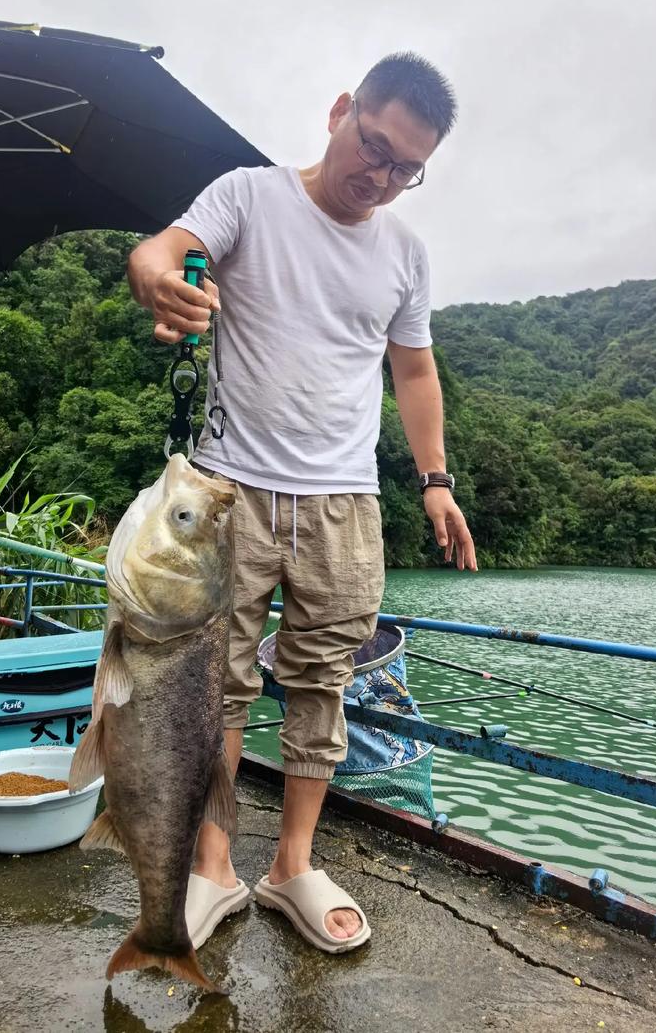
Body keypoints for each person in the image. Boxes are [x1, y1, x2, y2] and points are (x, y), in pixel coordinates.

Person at [127, 51, 477, 955]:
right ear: (338, 112)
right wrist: (158, 279)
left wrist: (435, 480)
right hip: (231, 489)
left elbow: (414, 369)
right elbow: (165, 251)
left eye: (408, 167)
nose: (384, 175)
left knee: (324, 682)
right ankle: (211, 864)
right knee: (217, 685)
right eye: (375, 146)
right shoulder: (249, 197)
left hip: (344, 503)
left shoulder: (405, 251)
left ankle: (291, 862)